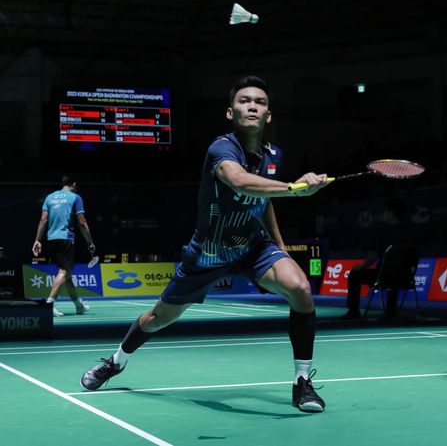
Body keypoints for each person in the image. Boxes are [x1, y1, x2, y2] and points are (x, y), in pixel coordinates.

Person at [80, 76, 330, 412]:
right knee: (157, 318)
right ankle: (116, 361)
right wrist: (294, 188)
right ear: (230, 112)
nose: (252, 105)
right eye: (244, 101)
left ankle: (302, 383)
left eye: (260, 101)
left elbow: (262, 200)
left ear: (268, 115)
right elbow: (240, 182)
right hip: (208, 254)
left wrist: (280, 246)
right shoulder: (222, 148)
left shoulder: (273, 154)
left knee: (300, 288)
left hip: (253, 247)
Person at [32, 175, 93, 317]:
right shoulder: (75, 197)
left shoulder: (49, 197)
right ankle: (49, 304)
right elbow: (82, 222)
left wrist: (37, 240)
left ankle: (79, 305)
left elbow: (43, 219)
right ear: (74, 184)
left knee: (67, 274)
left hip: (52, 238)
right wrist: (90, 242)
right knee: (64, 272)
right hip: (66, 238)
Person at [343, 198, 408, 320]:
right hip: (406, 277)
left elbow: (373, 257)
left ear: (391, 213)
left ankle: (353, 311)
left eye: (385, 211)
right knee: (394, 273)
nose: (383, 214)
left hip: (384, 277)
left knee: (355, 274)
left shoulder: (383, 231)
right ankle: (391, 310)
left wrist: (361, 267)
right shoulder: (409, 230)